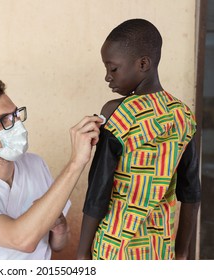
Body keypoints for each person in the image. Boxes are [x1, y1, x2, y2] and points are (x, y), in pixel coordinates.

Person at [77, 18, 201, 260]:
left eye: (113, 68)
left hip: (115, 245)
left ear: (143, 63)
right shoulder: (184, 115)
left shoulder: (117, 113)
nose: (107, 77)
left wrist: (82, 254)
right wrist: (183, 250)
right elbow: (191, 193)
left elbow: (98, 191)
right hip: (159, 248)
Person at [0, 79, 102, 259]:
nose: (17, 124)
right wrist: (76, 162)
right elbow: (22, 240)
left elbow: (58, 245)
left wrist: (61, 228)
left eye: (15, 114)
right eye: (3, 121)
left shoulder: (35, 164)